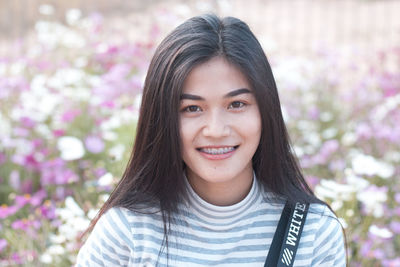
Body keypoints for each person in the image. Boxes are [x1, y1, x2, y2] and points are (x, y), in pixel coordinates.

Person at [76, 14, 346, 266]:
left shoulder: (313, 233)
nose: (216, 130)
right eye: (192, 108)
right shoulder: (127, 233)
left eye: (237, 104)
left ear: (266, 110)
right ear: (163, 119)